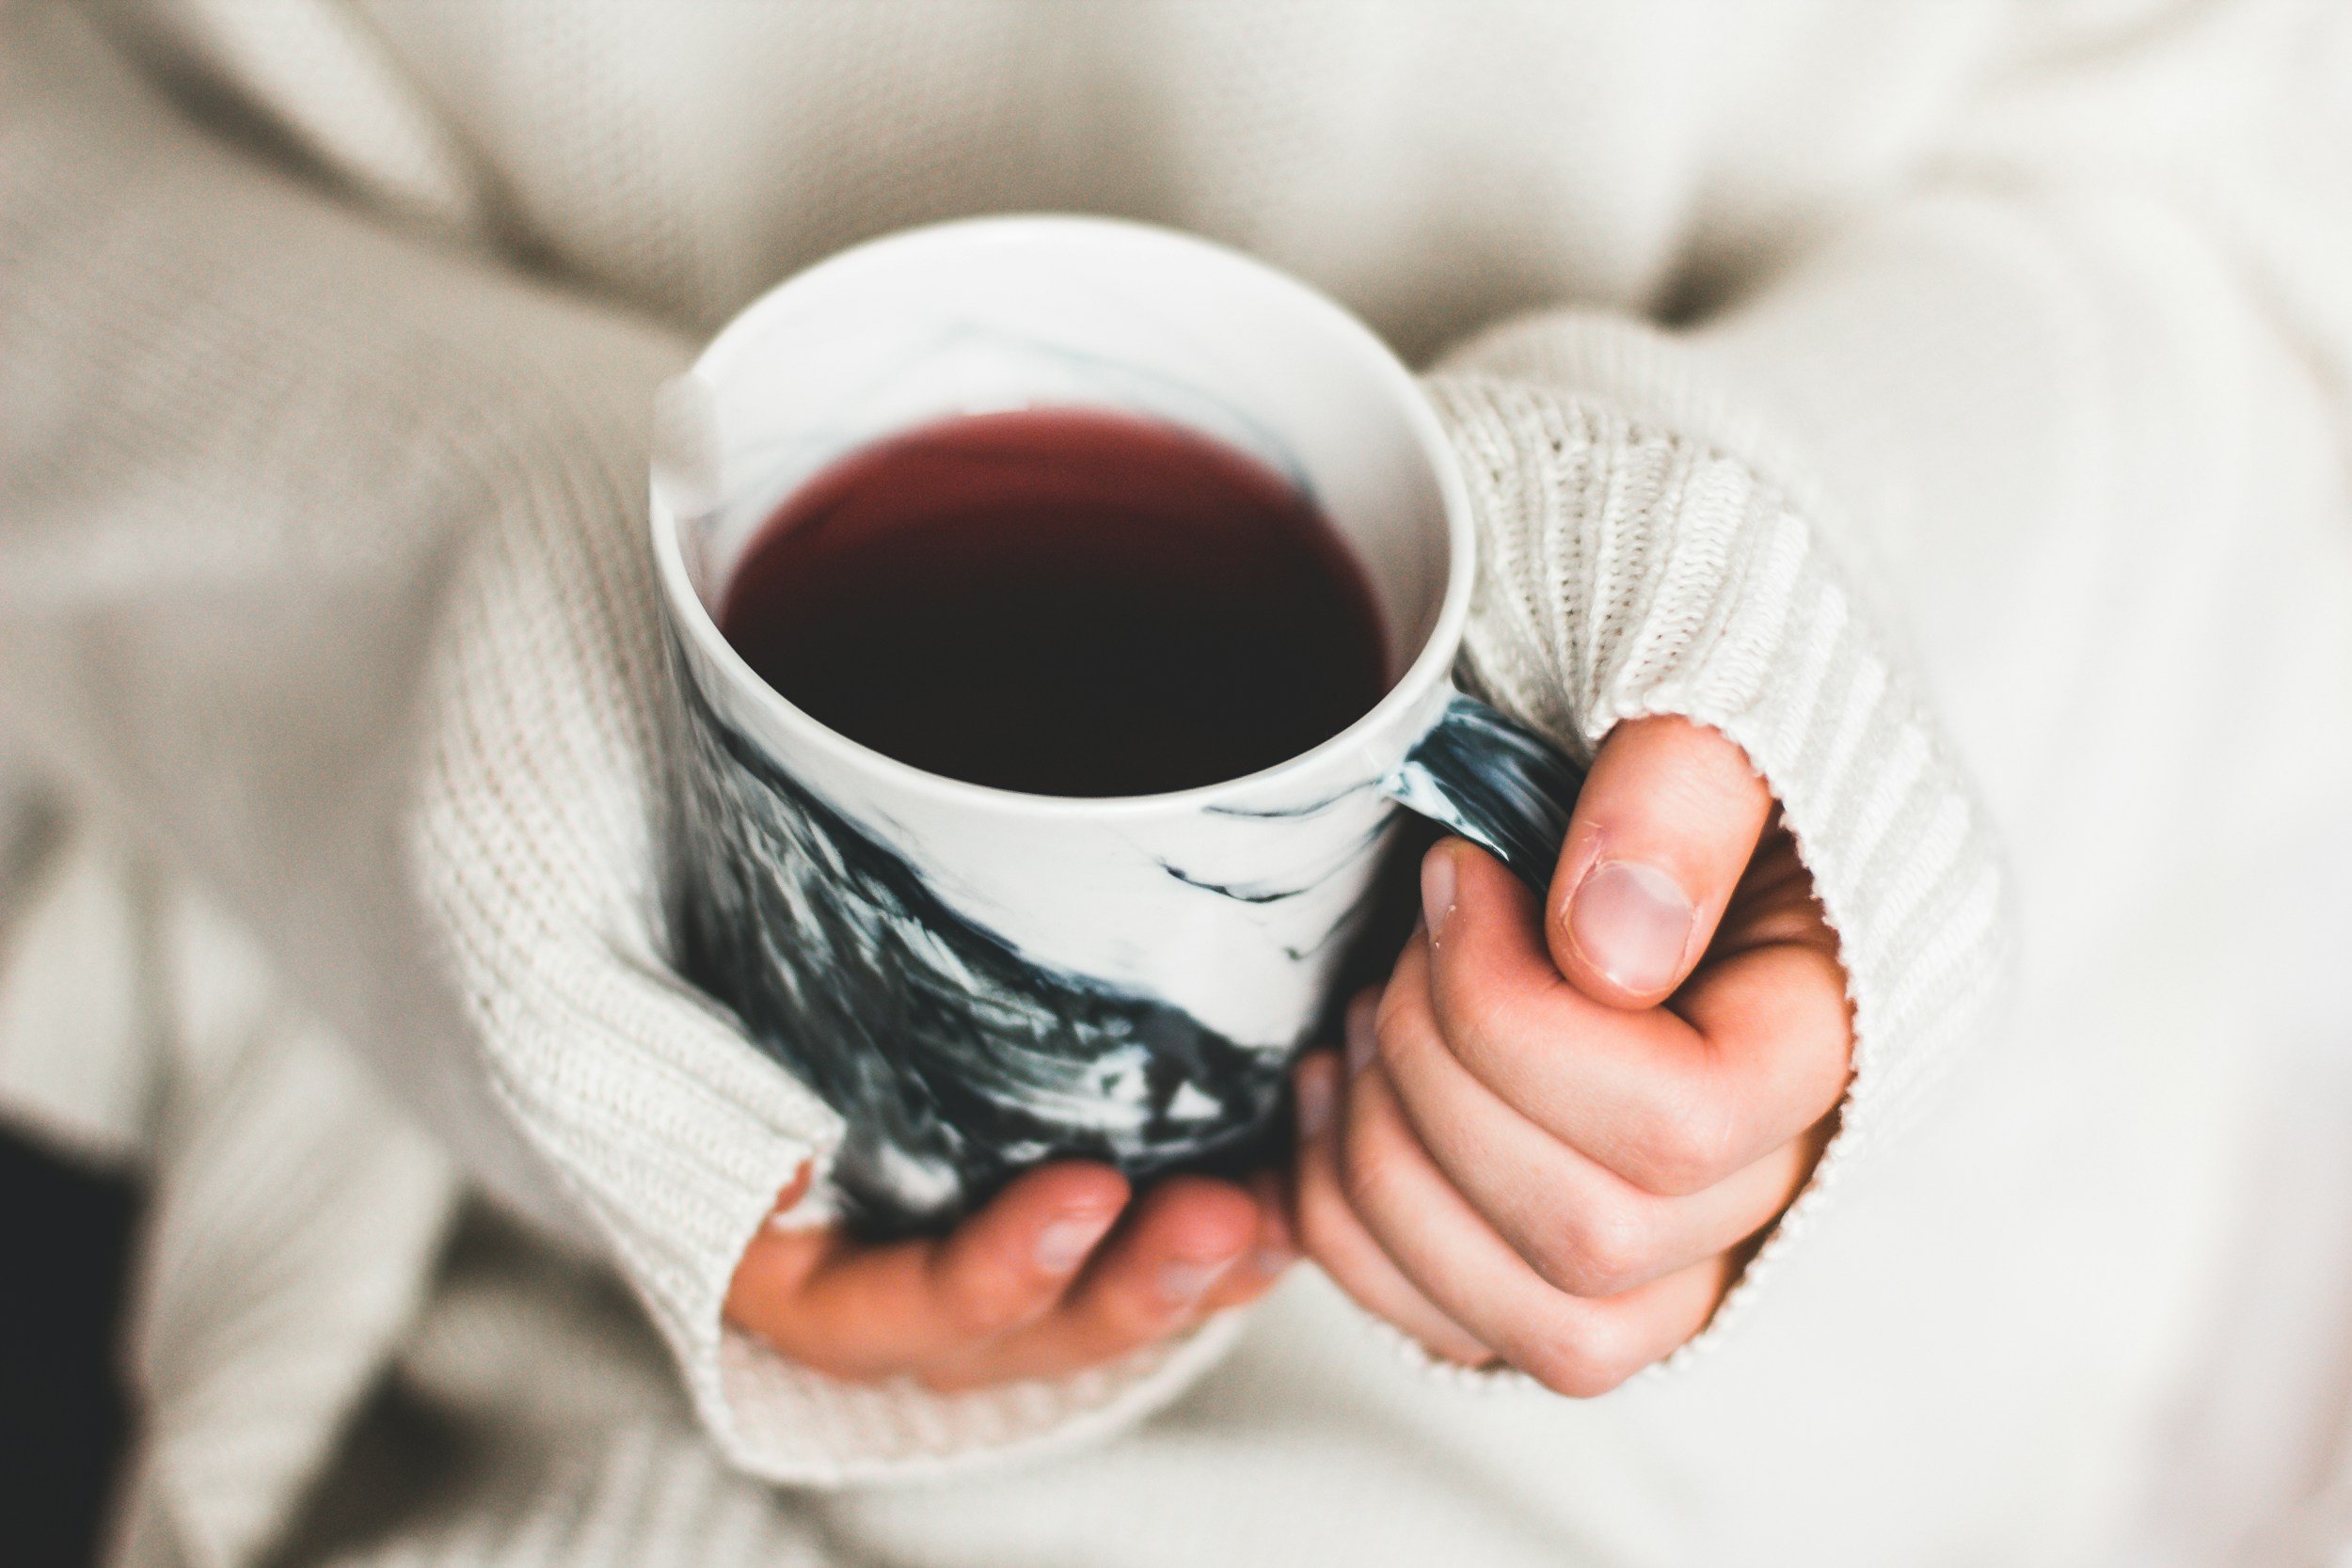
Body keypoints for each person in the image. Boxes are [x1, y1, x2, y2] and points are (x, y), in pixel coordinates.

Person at [4, 2, 2351, 1563]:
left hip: (1741, 1420)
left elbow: (2257, 278)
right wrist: (486, 622)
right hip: (423, 1204)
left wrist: (1774, 620)